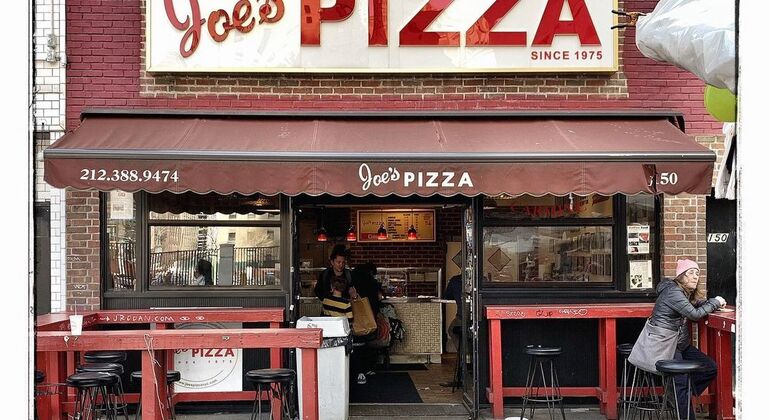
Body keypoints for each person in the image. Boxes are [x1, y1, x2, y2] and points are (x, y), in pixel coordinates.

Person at [647, 259, 726, 419]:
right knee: (681, 383)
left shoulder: (682, 293)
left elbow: (693, 305)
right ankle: (681, 397)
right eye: (691, 273)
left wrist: (710, 303)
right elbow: (694, 315)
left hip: (679, 343)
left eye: (697, 273)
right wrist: (715, 302)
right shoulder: (673, 292)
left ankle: (677, 394)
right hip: (665, 344)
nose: (695, 277)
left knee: (710, 367)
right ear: (681, 276)